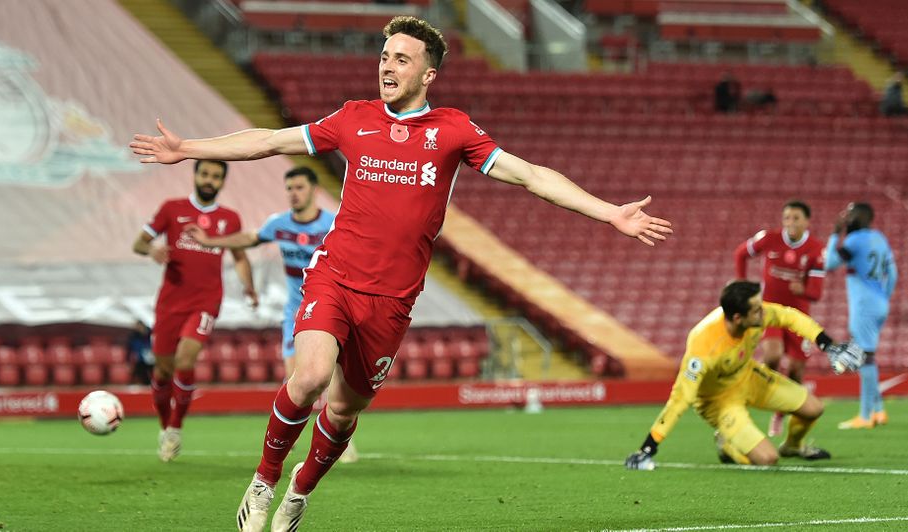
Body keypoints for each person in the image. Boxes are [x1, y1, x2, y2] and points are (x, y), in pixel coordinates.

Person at [130, 16, 672, 532]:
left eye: (402, 59)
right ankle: (264, 481)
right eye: (384, 56)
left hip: (392, 301)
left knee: (342, 413)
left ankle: (299, 491)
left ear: (428, 74)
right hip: (335, 276)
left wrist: (609, 212)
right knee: (312, 375)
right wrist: (188, 149)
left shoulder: (453, 131)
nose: (387, 67)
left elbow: (530, 175)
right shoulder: (353, 117)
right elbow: (270, 139)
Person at [186, 166, 358, 464]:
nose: (294, 193)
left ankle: (341, 439)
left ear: (315, 190)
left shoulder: (333, 224)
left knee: (333, 378)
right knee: (296, 377)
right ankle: (287, 437)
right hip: (296, 312)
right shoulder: (279, 224)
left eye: (300, 187)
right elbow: (249, 238)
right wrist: (210, 241)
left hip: (332, 308)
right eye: (289, 188)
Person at [625, 281, 864, 471]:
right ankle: (727, 445)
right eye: (756, 309)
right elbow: (680, 399)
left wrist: (826, 344)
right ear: (738, 318)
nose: (763, 312)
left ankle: (792, 446)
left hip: (749, 376)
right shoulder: (703, 346)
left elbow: (789, 316)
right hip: (718, 402)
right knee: (767, 459)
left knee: (814, 409)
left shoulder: (755, 317)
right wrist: (649, 446)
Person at [132, 160, 258, 462]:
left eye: (216, 176)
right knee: (163, 370)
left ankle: (176, 427)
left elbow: (239, 257)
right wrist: (152, 250)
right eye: (205, 174)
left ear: (222, 182)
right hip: (170, 303)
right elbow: (139, 243)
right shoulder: (171, 209)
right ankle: (165, 426)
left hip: (206, 301)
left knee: (186, 358)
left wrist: (249, 286)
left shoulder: (229, 218)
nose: (209, 180)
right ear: (195, 175)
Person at [733, 200, 825, 437]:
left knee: (795, 371)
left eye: (796, 218)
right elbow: (740, 254)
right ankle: (755, 398)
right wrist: (742, 283)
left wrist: (802, 290)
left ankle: (779, 415)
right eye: (787, 218)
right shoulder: (769, 238)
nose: (790, 223)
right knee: (772, 355)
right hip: (769, 312)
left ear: (807, 222)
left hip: (798, 317)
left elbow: (816, 293)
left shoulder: (816, 249)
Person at [825, 203, 898, 429]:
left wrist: (835, 233)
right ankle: (878, 411)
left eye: (851, 212)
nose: (847, 216)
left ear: (862, 216)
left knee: (864, 358)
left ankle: (865, 417)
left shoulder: (854, 241)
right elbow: (893, 274)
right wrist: (883, 298)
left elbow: (829, 263)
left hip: (863, 305)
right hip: (879, 304)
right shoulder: (879, 238)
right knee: (867, 356)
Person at [127, 319, 155, 385]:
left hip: (153, 357)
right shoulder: (133, 337)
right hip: (141, 359)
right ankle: (145, 384)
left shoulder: (152, 334)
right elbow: (129, 350)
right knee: (139, 371)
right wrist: (128, 362)